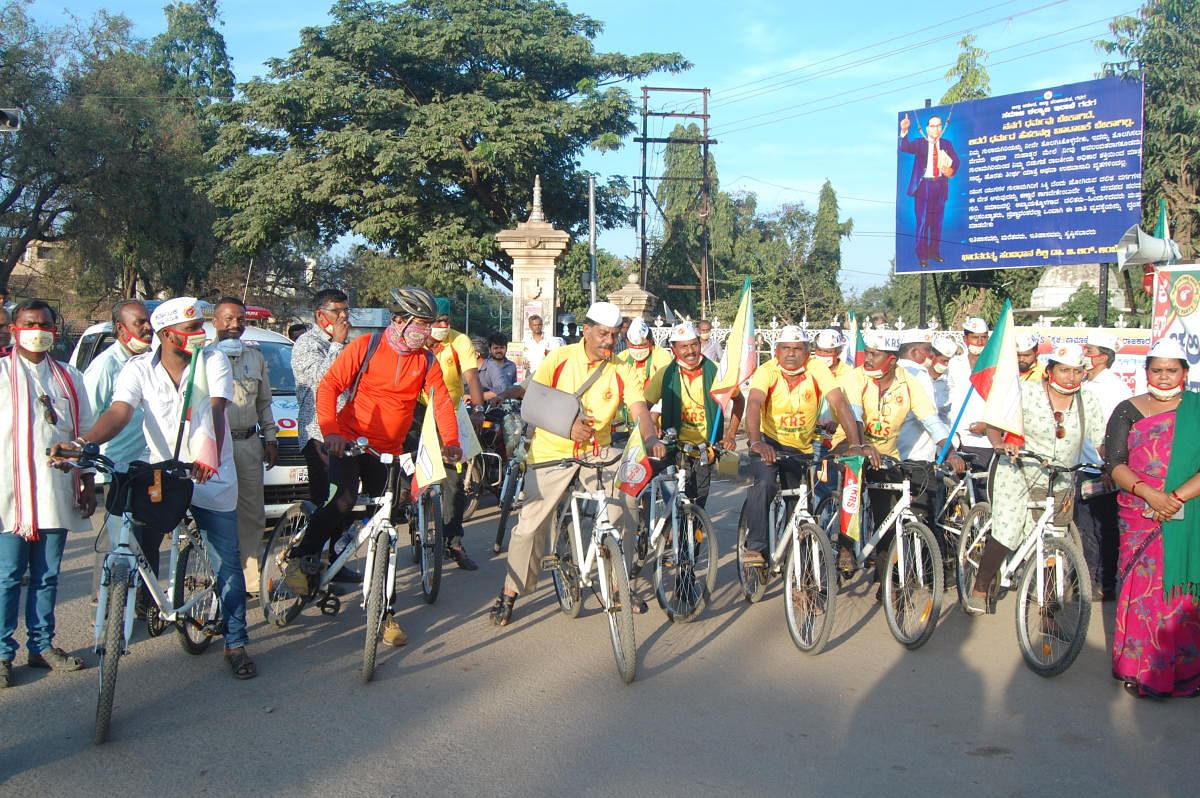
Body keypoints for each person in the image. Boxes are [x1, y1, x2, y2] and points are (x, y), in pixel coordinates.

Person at [57, 297, 256, 679]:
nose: (200, 335)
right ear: (167, 336)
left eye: (201, 327)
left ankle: (236, 641)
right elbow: (119, 411)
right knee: (135, 543)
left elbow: (216, 408)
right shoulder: (137, 369)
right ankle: (144, 604)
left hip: (210, 474)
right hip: (162, 475)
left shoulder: (213, 361)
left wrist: (207, 455)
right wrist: (84, 444)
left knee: (226, 563)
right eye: (190, 331)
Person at [301, 287, 461, 647]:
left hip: (387, 451)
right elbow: (328, 388)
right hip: (350, 440)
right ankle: (302, 556)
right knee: (342, 501)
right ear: (399, 320)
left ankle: (385, 612)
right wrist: (331, 433)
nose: (426, 331)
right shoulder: (366, 347)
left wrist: (452, 443)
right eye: (421, 323)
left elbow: (442, 405)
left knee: (386, 526)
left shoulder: (427, 361)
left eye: (430, 324)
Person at [489, 301, 664, 627]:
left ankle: (617, 584)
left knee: (625, 501)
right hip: (552, 451)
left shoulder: (621, 367)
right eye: (602, 334)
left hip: (597, 452)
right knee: (529, 527)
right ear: (586, 331)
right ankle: (510, 591)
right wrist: (568, 427)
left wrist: (651, 438)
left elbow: (640, 409)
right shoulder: (560, 358)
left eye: (614, 335)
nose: (609, 342)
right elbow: (532, 403)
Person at [963, 343, 1105, 615]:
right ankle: (981, 586)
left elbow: (1100, 442)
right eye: (1064, 370)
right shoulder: (1026, 392)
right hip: (1018, 470)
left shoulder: (1088, 401)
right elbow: (995, 424)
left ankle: (1048, 614)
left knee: (1053, 541)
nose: (1071, 377)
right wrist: (998, 444)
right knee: (1008, 528)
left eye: (1077, 371)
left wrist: (1116, 462)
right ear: (1050, 370)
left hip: (1061, 478)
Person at [1, 300, 94, 687]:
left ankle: (42, 645)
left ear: (54, 331)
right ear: (13, 329)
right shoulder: (2, 374)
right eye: (29, 323)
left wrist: (87, 479)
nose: (37, 330)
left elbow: (85, 430)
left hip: (56, 488)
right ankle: (3, 653)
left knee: (47, 575)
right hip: (10, 492)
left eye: (44, 325)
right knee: (7, 576)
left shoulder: (69, 378)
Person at [1104, 339, 1200, 697]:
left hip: (1187, 510)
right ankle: (1143, 671)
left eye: (1170, 370)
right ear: (1146, 372)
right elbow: (1113, 463)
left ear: (1184, 372)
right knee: (1143, 591)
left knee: (1181, 591)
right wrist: (1150, 494)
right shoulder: (1127, 409)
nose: (1163, 377)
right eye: (1156, 370)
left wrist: (1173, 498)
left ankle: (1185, 673)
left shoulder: (1196, 410)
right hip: (1139, 512)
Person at [834, 332, 961, 586]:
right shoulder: (855, 376)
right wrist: (863, 445)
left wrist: (949, 451)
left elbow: (930, 419)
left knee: (888, 516)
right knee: (853, 485)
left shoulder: (909, 382)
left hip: (887, 454)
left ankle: (886, 578)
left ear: (891, 360)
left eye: (874, 354)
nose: (867, 358)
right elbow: (856, 416)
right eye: (867, 352)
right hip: (851, 443)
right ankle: (846, 545)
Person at [742, 326, 864, 566]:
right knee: (765, 484)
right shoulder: (767, 370)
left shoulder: (817, 369)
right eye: (785, 348)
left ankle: (796, 569)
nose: (791, 354)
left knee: (800, 506)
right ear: (776, 351)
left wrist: (855, 444)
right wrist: (756, 441)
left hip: (801, 448)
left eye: (798, 349)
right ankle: (755, 546)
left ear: (807, 352)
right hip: (768, 443)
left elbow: (839, 404)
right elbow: (754, 403)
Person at [84, 300, 152, 604]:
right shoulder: (105, 366)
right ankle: (107, 607)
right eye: (140, 322)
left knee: (148, 536)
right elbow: (87, 417)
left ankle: (144, 602)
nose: (148, 328)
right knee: (114, 542)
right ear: (120, 329)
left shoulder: (152, 362)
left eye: (148, 321)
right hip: (116, 469)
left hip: (150, 466)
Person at [212, 297, 279, 596]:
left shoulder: (256, 357)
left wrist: (271, 438)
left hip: (248, 444)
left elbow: (264, 403)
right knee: (216, 513)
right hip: (215, 447)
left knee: (252, 513)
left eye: (240, 319)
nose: (234, 325)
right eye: (228, 319)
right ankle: (217, 576)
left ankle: (251, 579)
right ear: (216, 321)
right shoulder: (203, 357)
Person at [643, 321, 743, 509]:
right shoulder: (666, 374)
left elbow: (739, 400)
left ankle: (691, 537)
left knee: (698, 502)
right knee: (671, 499)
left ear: (700, 343)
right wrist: (652, 426)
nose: (690, 351)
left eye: (694, 344)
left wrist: (730, 435)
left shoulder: (717, 372)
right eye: (683, 347)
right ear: (673, 349)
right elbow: (643, 406)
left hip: (704, 450)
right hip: (672, 447)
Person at [429, 297, 485, 570]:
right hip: (416, 413)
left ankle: (454, 541)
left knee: (454, 480)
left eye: (445, 321)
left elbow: (472, 376)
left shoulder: (459, 341)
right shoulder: (417, 339)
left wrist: (478, 409)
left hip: (450, 413)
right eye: (436, 321)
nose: (441, 326)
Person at [1078, 331, 1133, 601]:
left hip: (1104, 470)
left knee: (1105, 528)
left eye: (1088, 351)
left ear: (1102, 357)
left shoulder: (1115, 389)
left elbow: (1118, 435)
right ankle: (1086, 580)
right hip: (1080, 467)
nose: (1084, 355)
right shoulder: (1083, 384)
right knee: (1084, 528)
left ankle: (1106, 583)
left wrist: (1109, 467)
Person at [292, 289, 350, 510]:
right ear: (320, 315)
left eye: (346, 310)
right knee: (325, 501)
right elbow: (321, 381)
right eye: (337, 311)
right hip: (319, 433)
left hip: (346, 431)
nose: (343, 316)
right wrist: (336, 344)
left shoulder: (347, 344)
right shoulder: (307, 343)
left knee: (345, 501)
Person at [898, 112, 960, 267]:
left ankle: (934, 252)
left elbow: (956, 161)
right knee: (923, 222)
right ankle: (922, 255)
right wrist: (904, 131)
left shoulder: (946, 144)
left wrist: (951, 171)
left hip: (940, 186)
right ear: (927, 128)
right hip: (924, 186)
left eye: (939, 125)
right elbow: (904, 147)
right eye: (933, 126)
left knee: (937, 223)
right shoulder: (920, 143)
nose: (936, 129)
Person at [947, 317, 993, 466]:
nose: (979, 342)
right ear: (965, 338)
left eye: (983, 338)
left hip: (984, 439)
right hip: (956, 437)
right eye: (975, 337)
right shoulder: (954, 363)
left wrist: (988, 425)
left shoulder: (995, 366)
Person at [618, 317, 672, 388]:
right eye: (633, 345)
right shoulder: (622, 357)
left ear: (651, 341)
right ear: (627, 343)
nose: (638, 349)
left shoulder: (662, 355)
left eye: (642, 345)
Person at [478, 333, 518, 404]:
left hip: (506, 406)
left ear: (506, 348)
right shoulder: (483, 366)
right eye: (496, 348)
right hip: (487, 406)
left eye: (502, 348)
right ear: (490, 349)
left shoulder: (512, 366)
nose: (499, 351)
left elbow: (513, 387)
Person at [928, 334, 957, 426]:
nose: (947, 364)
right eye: (944, 360)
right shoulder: (920, 376)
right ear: (932, 356)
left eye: (949, 361)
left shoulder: (952, 377)